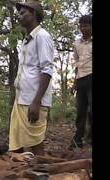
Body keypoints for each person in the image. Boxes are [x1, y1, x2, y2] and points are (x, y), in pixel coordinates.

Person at [8, 0, 54, 155]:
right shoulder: (26, 40)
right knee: (16, 146)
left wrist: (36, 101)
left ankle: (44, 173)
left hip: (33, 100)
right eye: (18, 14)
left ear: (33, 14)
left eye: (23, 13)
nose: (18, 17)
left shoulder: (42, 36)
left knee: (36, 145)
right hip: (21, 99)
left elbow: (47, 70)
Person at [70, 15, 92, 149]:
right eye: (81, 26)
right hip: (81, 79)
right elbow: (76, 63)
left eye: (86, 26)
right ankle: (78, 139)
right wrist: (75, 82)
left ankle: (90, 139)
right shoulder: (76, 44)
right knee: (81, 111)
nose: (83, 28)